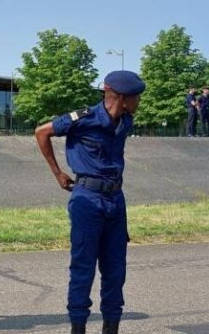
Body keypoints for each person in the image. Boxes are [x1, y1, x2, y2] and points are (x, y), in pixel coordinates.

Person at [35, 70, 146, 334]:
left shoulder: (126, 121)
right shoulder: (83, 119)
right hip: (87, 198)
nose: (139, 102)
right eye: (136, 97)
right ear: (120, 97)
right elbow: (41, 132)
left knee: (115, 270)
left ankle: (110, 328)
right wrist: (57, 172)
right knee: (83, 268)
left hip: (115, 200)